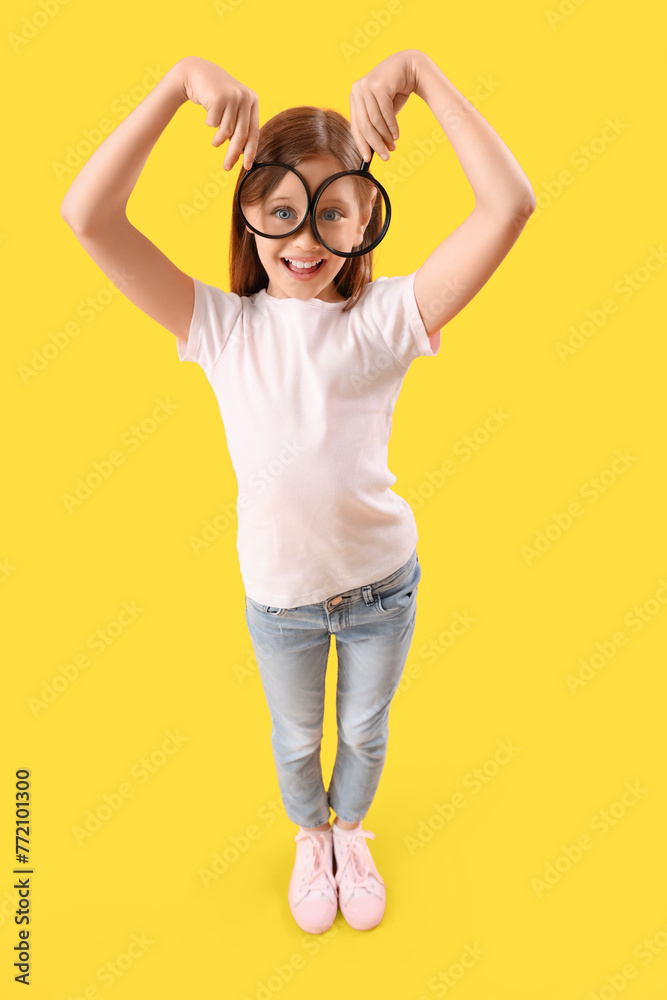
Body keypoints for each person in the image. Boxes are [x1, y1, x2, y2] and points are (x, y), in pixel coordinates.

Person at [60, 50, 536, 935]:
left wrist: (421, 76)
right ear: (249, 217)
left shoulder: (388, 318)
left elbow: (509, 206)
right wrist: (174, 84)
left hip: (380, 586)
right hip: (278, 600)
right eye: (282, 211)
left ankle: (349, 833)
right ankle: (307, 838)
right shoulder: (221, 328)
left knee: (362, 733)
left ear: (365, 222)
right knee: (295, 740)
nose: (305, 237)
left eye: (331, 214)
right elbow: (86, 216)